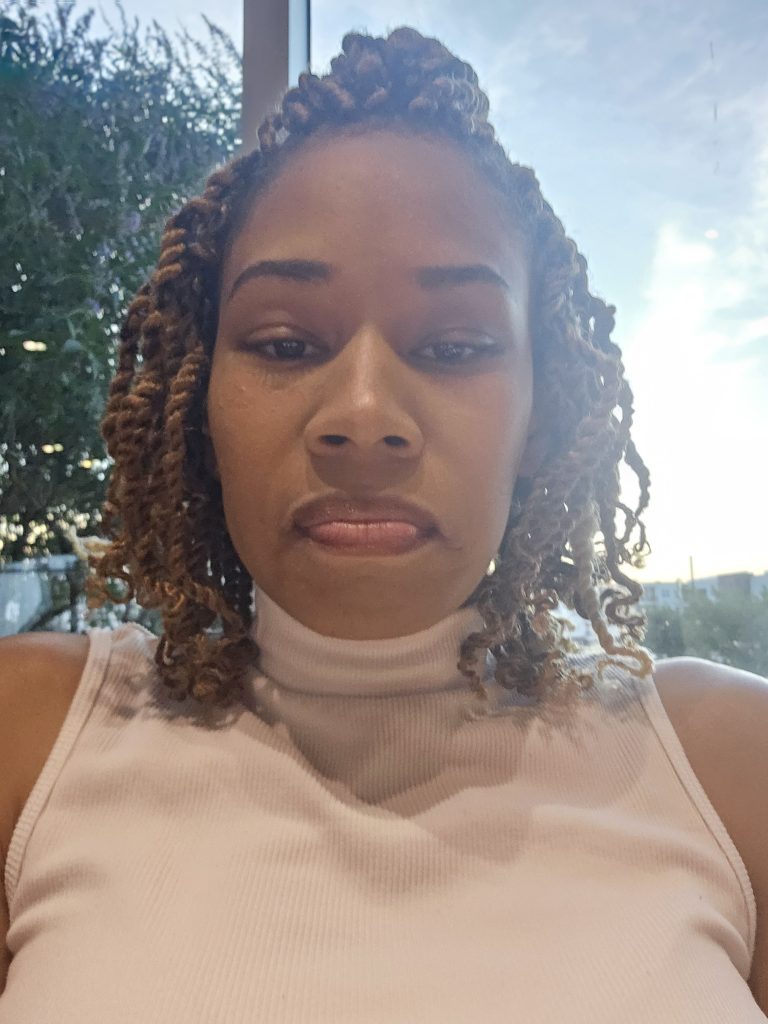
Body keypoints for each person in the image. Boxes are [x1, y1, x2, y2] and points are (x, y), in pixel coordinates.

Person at [0, 25, 766, 1022]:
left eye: (453, 347)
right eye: (285, 342)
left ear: (540, 422)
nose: (363, 416)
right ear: (199, 406)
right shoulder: (30, 738)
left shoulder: (727, 764)